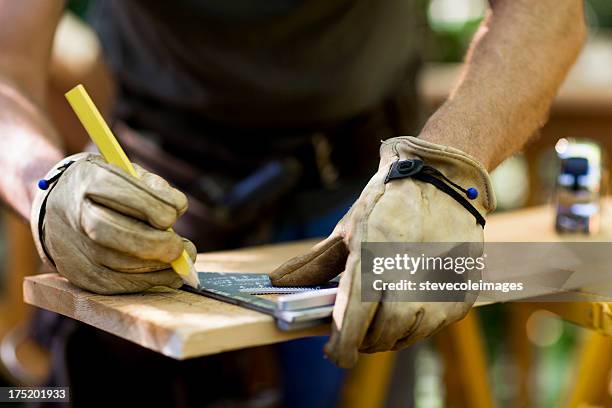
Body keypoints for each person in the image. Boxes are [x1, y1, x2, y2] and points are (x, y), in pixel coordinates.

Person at [0, 0, 585, 406]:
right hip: (153, 200)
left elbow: (549, 15)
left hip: (381, 201)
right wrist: (44, 189)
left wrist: (444, 170)